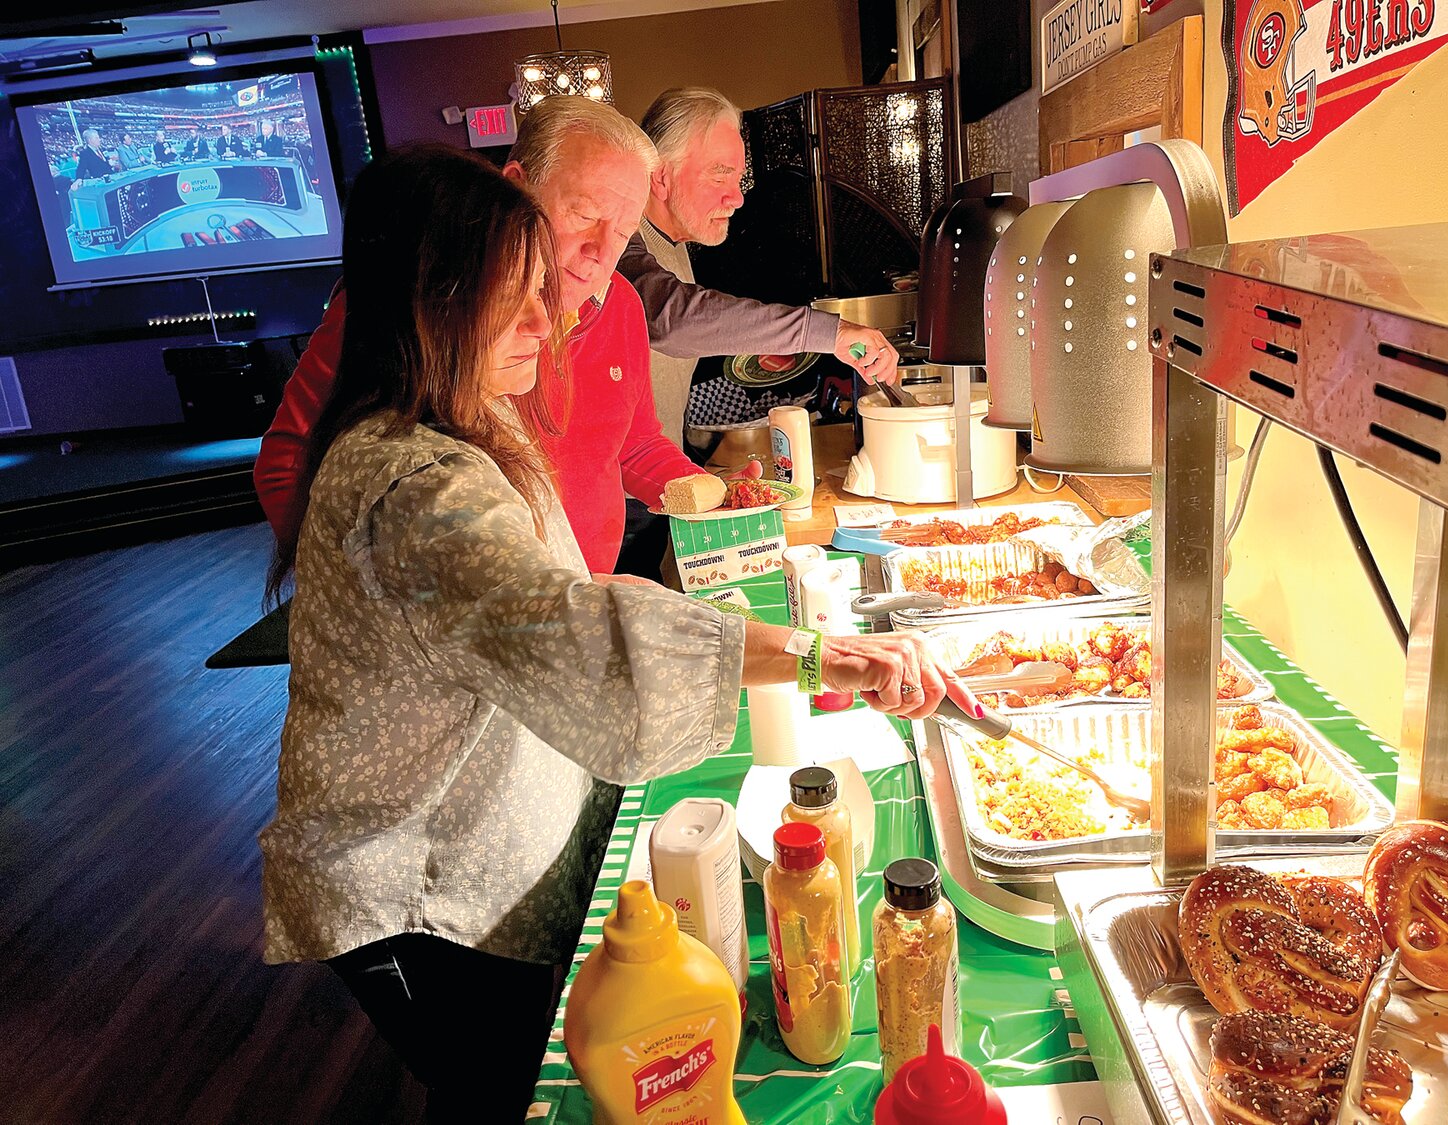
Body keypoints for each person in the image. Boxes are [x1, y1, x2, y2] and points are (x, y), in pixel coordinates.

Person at [259, 142, 976, 1124]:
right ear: (425, 303)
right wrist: (820, 655)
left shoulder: (467, 416)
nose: (548, 319)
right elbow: (581, 634)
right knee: (502, 1086)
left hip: (487, 816)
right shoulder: (414, 485)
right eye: (515, 298)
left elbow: (570, 592)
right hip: (413, 887)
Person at [255, 97, 743, 578]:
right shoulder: (418, 307)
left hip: (580, 604)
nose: (599, 252)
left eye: (622, 232)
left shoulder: (621, 305)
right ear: (516, 190)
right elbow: (286, 467)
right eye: (584, 215)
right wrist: (368, 590)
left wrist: (718, 496)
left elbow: (635, 446)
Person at [620, 86, 900, 451]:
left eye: (738, 178)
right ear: (660, 176)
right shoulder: (622, 235)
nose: (736, 198)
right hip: (621, 500)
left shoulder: (676, 239)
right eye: (719, 176)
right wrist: (830, 334)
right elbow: (671, 318)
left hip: (661, 477)